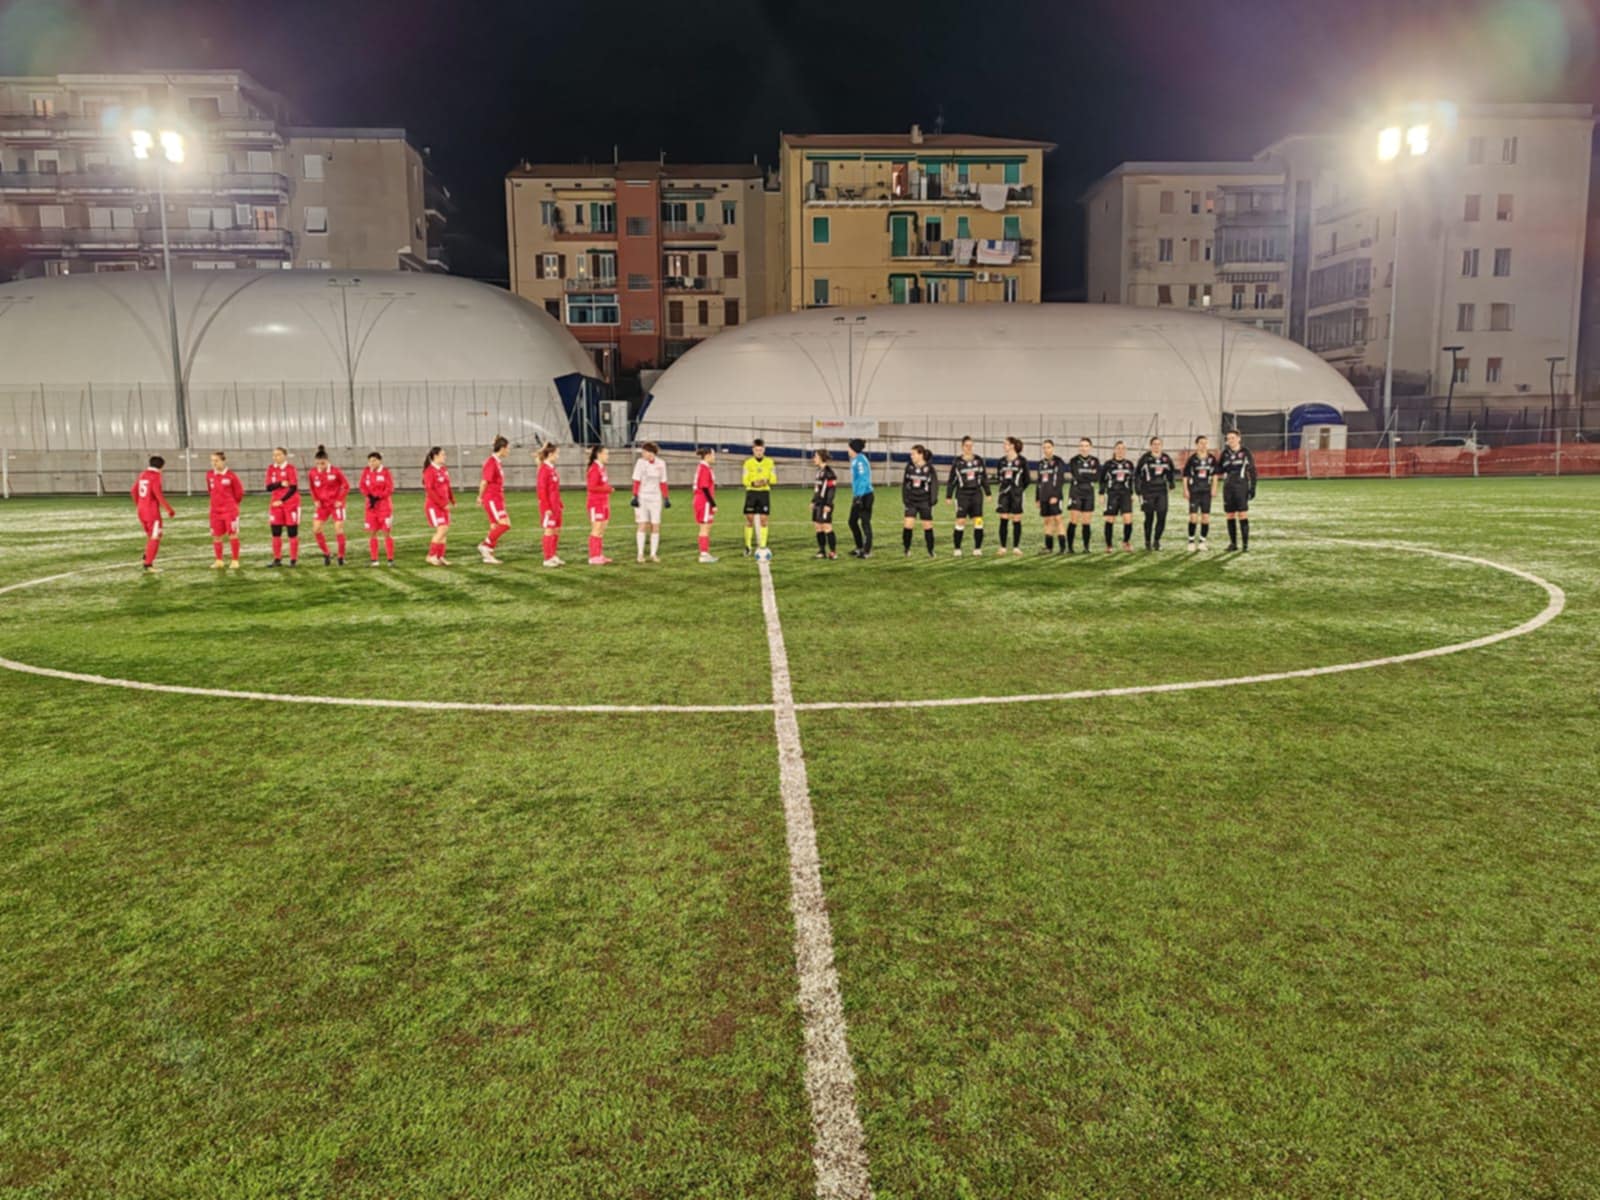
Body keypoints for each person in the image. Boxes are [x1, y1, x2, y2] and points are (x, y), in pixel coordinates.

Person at [945, 435, 990, 556]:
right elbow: (952, 480)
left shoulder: (979, 460)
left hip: (976, 493)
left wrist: (988, 493)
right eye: (966, 445)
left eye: (971, 445)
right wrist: (948, 496)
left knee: (979, 521)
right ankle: (957, 548)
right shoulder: (957, 462)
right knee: (960, 521)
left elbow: (984, 477)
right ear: (962, 447)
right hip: (962, 494)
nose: (969, 448)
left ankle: (977, 548)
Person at [131, 454, 176, 573]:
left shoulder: (143, 475)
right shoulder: (155, 476)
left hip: (141, 510)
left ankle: (146, 557)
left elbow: (133, 491)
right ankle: (148, 564)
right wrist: (169, 509)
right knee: (156, 536)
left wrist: (139, 504)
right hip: (151, 512)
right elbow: (158, 494)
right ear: (162, 467)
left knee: (151, 535)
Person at [309, 445, 350, 566]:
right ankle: (326, 553)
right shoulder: (312, 473)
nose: (320, 466)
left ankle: (341, 557)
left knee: (338, 529)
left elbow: (346, 486)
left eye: (322, 463)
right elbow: (312, 488)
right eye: (318, 464)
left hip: (336, 505)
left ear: (327, 461)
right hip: (322, 505)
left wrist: (340, 499)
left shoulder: (336, 471)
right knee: (316, 529)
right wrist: (315, 499)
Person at [1135, 436, 1178, 551]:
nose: (1156, 446)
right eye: (1154, 444)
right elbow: (1137, 474)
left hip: (1161, 491)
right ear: (1151, 446)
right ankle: (1147, 541)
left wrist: (1171, 482)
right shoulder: (1145, 458)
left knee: (1162, 516)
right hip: (1148, 491)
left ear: (1161, 446)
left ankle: (1157, 540)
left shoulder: (1166, 458)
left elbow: (1171, 472)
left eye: (1158, 444)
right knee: (1149, 517)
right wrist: (1138, 489)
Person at [1219, 429, 1259, 551]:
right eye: (1228, 438)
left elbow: (1252, 471)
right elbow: (1219, 469)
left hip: (1241, 486)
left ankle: (1245, 545)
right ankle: (1233, 544)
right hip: (1228, 487)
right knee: (1230, 515)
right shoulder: (1225, 453)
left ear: (1239, 438)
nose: (1230, 440)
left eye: (1233, 438)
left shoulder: (1245, 452)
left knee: (1242, 514)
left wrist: (1252, 487)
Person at [631, 441, 670, 563]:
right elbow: (636, 480)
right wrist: (635, 496)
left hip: (655, 498)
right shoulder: (640, 463)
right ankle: (640, 554)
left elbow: (663, 482)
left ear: (651, 453)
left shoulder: (661, 463)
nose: (642, 453)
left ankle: (653, 554)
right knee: (642, 524)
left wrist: (666, 498)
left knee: (655, 525)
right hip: (642, 497)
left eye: (644, 451)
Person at [205, 450, 244, 570]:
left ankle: (235, 560)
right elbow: (210, 491)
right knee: (216, 536)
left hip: (230, 511)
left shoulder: (231, 476)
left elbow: (239, 493)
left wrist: (232, 505)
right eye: (212, 461)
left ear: (223, 461)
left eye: (216, 461)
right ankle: (219, 560)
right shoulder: (210, 475)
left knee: (233, 534)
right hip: (215, 511)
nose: (214, 463)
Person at [993, 436, 1031, 555]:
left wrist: (1018, 489)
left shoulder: (1022, 461)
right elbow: (999, 477)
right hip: (1004, 494)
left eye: (1006, 444)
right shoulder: (1001, 461)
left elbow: (1027, 479)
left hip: (1017, 495)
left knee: (1016, 519)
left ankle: (1016, 547)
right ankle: (1003, 547)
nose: (1004, 446)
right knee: (1003, 519)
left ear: (1012, 446)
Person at [477, 435, 512, 565]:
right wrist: (480, 497)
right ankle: (485, 545)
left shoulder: (497, 462)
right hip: (492, 498)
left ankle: (489, 555)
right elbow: (484, 481)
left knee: (495, 526)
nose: (509, 451)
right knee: (505, 524)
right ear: (502, 448)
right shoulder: (491, 462)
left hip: (497, 498)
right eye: (508, 448)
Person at [265, 445, 301, 567]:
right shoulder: (271, 469)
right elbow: (268, 487)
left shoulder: (291, 469)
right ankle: (277, 559)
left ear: (284, 456)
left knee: (292, 532)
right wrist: (280, 483)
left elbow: (293, 488)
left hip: (291, 504)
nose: (276, 457)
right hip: (275, 505)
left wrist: (282, 500)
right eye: (274, 455)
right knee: (276, 532)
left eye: (278, 455)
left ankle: (293, 560)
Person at [1099, 440, 1137, 553]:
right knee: (1110, 519)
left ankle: (1126, 542)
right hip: (1112, 494)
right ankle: (1109, 545)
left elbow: (1131, 481)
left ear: (1125, 451)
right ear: (1114, 450)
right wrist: (1101, 493)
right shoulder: (1108, 464)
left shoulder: (1129, 464)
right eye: (1118, 448)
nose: (1120, 450)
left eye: (1122, 448)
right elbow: (1102, 480)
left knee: (1128, 519)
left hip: (1125, 494)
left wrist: (1132, 493)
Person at [900, 444, 938, 557]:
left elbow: (934, 485)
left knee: (927, 526)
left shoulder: (929, 469)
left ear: (920, 454)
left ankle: (930, 550)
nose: (911, 456)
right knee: (908, 525)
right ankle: (906, 549)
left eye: (913, 454)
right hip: (911, 501)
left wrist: (932, 500)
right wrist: (905, 499)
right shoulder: (909, 467)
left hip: (924, 501)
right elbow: (905, 484)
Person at [741, 438, 777, 556]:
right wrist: (753, 483)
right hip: (751, 493)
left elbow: (774, 479)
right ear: (753, 450)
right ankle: (748, 546)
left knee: (764, 520)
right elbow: (744, 480)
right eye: (757, 450)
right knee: (749, 520)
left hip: (764, 493)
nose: (759, 452)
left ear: (764, 449)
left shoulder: (770, 462)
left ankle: (763, 545)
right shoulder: (748, 463)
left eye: (761, 450)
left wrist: (766, 481)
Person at [359, 451, 395, 566]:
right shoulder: (366, 471)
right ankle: (374, 560)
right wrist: (369, 496)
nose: (371, 463)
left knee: (386, 532)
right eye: (370, 461)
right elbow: (362, 485)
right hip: (371, 507)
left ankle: (390, 559)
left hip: (384, 507)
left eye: (374, 460)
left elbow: (389, 488)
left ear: (380, 461)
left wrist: (379, 497)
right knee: (372, 532)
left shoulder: (385, 472)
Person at [1065, 437, 1101, 553]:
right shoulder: (1074, 460)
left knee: (1086, 522)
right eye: (1081, 446)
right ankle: (1070, 547)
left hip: (1089, 493)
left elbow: (1097, 477)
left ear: (1090, 447)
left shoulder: (1095, 461)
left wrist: (1087, 476)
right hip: (1076, 492)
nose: (1083, 448)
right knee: (1074, 520)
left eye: (1086, 446)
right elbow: (1077, 475)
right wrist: (1090, 474)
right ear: (1079, 447)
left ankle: (1086, 547)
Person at [1183, 436, 1219, 550]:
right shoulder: (1192, 459)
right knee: (1193, 517)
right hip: (1194, 491)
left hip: (1206, 492)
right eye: (1201, 443)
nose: (1203, 445)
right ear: (1196, 444)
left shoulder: (1212, 459)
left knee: (1205, 517)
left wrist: (1214, 488)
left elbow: (1215, 475)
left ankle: (1202, 542)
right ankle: (1191, 541)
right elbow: (1185, 476)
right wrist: (1185, 489)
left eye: (1205, 443)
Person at [422, 446, 455, 566]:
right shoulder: (429, 471)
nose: (445, 456)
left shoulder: (443, 469)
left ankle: (440, 556)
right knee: (442, 529)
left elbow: (447, 485)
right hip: (434, 506)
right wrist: (442, 504)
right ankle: (431, 555)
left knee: (444, 531)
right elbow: (430, 490)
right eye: (443, 454)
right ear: (435, 456)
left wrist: (452, 499)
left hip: (444, 505)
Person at [1034, 439, 1067, 554]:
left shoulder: (1058, 462)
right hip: (1043, 497)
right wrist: (1037, 498)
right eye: (1044, 448)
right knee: (1047, 521)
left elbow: (1060, 480)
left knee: (1058, 520)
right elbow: (1038, 482)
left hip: (1055, 497)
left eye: (1048, 447)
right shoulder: (1041, 464)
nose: (1046, 450)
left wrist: (1056, 495)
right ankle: (1049, 547)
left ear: (1053, 448)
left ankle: (1063, 548)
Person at [535, 442, 565, 567]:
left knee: (556, 530)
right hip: (548, 507)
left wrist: (559, 503)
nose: (558, 456)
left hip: (555, 506)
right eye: (557, 454)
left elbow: (554, 489)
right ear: (551, 454)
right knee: (549, 530)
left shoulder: (552, 469)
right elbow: (541, 489)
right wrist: (547, 507)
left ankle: (553, 555)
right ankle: (547, 558)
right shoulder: (544, 469)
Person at [846, 437, 874, 558]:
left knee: (865, 523)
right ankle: (859, 547)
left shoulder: (860, 460)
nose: (847, 450)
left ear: (853, 449)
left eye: (849, 447)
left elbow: (864, 479)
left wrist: (860, 496)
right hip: (858, 495)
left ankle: (866, 551)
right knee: (852, 521)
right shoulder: (856, 460)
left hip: (865, 496)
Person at [586, 445, 614, 565]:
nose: (608, 456)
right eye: (606, 454)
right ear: (599, 454)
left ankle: (599, 554)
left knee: (602, 529)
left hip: (604, 503)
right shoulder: (594, 468)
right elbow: (591, 487)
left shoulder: (602, 468)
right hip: (595, 503)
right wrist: (607, 489)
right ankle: (593, 556)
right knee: (596, 529)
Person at [810, 448, 838, 559]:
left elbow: (831, 490)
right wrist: (813, 501)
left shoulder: (829, 473)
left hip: (824, 504)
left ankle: (833, 552)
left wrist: (828, 504)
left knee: (827, 527)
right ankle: (822, 551)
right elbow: (817, 489)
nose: (814, 458)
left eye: (815, 456)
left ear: (821, 458)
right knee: (818, 527)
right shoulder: (818, 472)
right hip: (818, 504)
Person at [693, 447, 718, 563]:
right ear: (707, 456)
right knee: (705, 528)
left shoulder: (704, 467)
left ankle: (704, 553)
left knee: (706, 527)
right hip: (704, 502)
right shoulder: (704, 468)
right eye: (713, 455)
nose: (714, 457)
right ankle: (703, 554)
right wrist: (713, 504)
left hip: (703, 501)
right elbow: (704, 487)